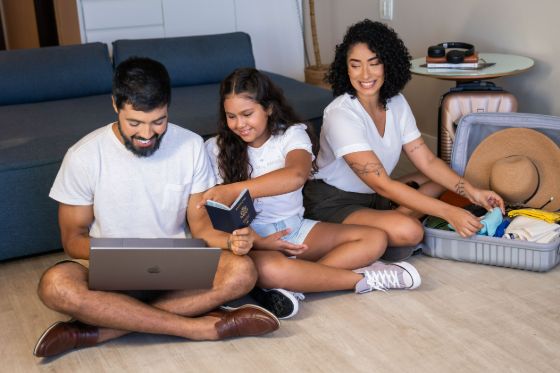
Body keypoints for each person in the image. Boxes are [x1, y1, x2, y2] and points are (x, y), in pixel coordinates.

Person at [33, 57, 280, 358]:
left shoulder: (189, 146)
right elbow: (73, 239)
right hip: (113, 267)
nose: (147, 134)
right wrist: (127, 251)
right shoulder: (83, 156)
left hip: (175, 262)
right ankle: (199, 328)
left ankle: (99, 329)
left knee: (242, 271)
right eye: (134, 123)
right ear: (115, 105)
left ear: (168, 107)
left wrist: (231, 241)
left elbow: (201, 228)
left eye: (158, 122)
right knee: (55, 285)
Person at [200, 68, 422, 320]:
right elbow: (214, 218)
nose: (240, 124)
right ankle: (361, 279)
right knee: (270, 268)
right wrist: (259, 242)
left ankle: (300, 281)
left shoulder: (291, 134)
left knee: (374, 239)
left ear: (269, 108)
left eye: (247, 114)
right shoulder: (214, 148)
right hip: (251, 242)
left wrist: (232, 189)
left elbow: (296, 175)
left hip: (295, 229)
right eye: (231, 116)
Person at [303, 19, 505, 247]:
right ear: (345, 68)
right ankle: (392, 220)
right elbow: (383, 185)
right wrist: (449, 212)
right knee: (410, 231)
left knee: (440, 176)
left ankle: (391, 217)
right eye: (355, 64)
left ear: (387, 64)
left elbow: (427, 161)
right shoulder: (340, 114)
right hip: (334, 201)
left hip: (376, 195)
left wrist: (474, 193)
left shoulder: (396, 102)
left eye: (374, 63)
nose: (365, 74)